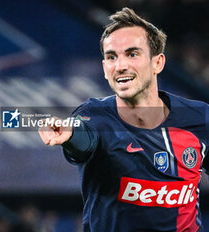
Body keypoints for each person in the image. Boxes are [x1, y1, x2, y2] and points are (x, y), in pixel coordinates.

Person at [38, 7, 209, 232]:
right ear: (104, 68)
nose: (120, 66)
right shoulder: (94, 117)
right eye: (111, 57)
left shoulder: (199, 118)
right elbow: (84, 140)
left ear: (158, 62)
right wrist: (70, 135)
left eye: (132, 54)